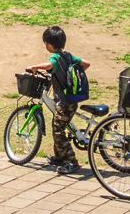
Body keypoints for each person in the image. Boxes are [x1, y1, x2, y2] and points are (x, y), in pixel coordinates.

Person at [23, 25, 90, 175]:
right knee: (57, 126)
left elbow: (49, 65)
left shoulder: (55, 57)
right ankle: (60, 157)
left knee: (58, 131)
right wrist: (70, 77)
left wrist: (34, 67)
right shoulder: (68, 56)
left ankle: (71, 161)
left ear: (49, 44)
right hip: (71, 98)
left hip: (64, 102)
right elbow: (86, 64)